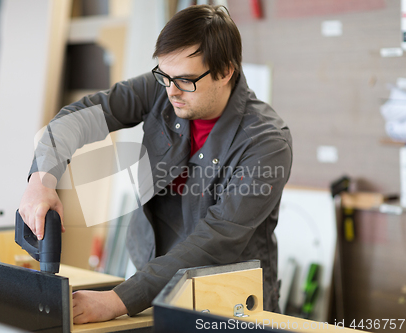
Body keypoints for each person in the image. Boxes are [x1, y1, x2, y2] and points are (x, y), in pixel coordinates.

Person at [19, 4, 292, 325]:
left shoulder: (266, 143)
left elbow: (215, 241)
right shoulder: (164, 87)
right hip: (151, 282)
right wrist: (41, 180)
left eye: (186, 81)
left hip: (226, 301)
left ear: (225, 71)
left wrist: (118, 300)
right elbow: (79, 119)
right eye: (164, 75)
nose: (171, 91)